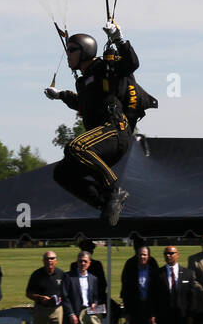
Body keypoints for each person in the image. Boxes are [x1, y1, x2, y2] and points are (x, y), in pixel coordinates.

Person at [44, 22, 138, 226]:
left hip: (115, 131)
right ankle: (104, 203)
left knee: (76, 147)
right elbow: (83, 103)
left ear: (85, 51)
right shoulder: (83, 81)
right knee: (62, 172)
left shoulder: (104, 67)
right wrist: (60, 95)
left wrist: (118, 39)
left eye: (71, 50)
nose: (67, 54)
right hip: (101, 140)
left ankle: (114, 191)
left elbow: (131, 64)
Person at [119, 246, 159, 324]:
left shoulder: (153, 269)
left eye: (145, 255)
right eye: (140, 255)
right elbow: (125, 290)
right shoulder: (131, 268)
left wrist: (154, 313)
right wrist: (127, 311)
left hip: (149, 308)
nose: (142, 257)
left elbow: (158, 291)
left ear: (149, 256)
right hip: (135, 308)